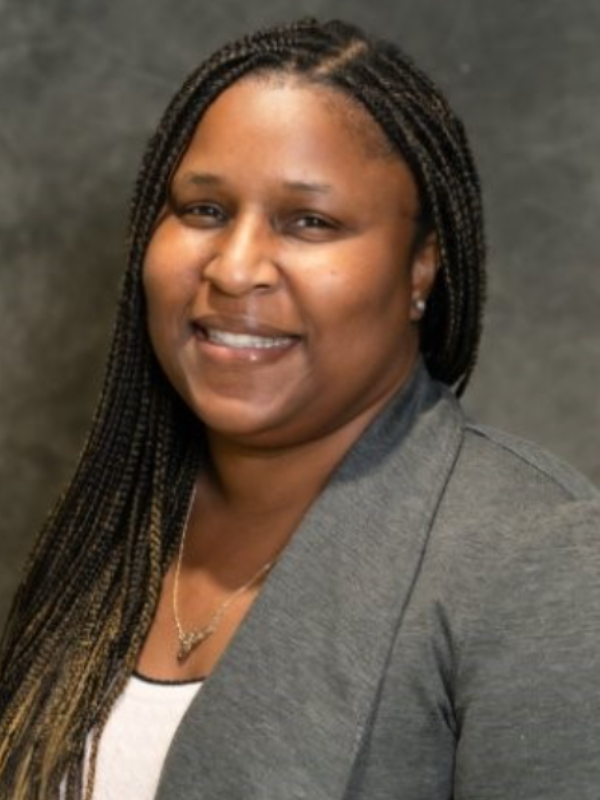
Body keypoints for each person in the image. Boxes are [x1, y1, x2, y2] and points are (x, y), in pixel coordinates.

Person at [1, 16, 599, 800]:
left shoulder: (540, 559)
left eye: (309, 222)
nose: (236, 267)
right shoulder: (123, 522)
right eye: (204, 210)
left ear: (421, 269)